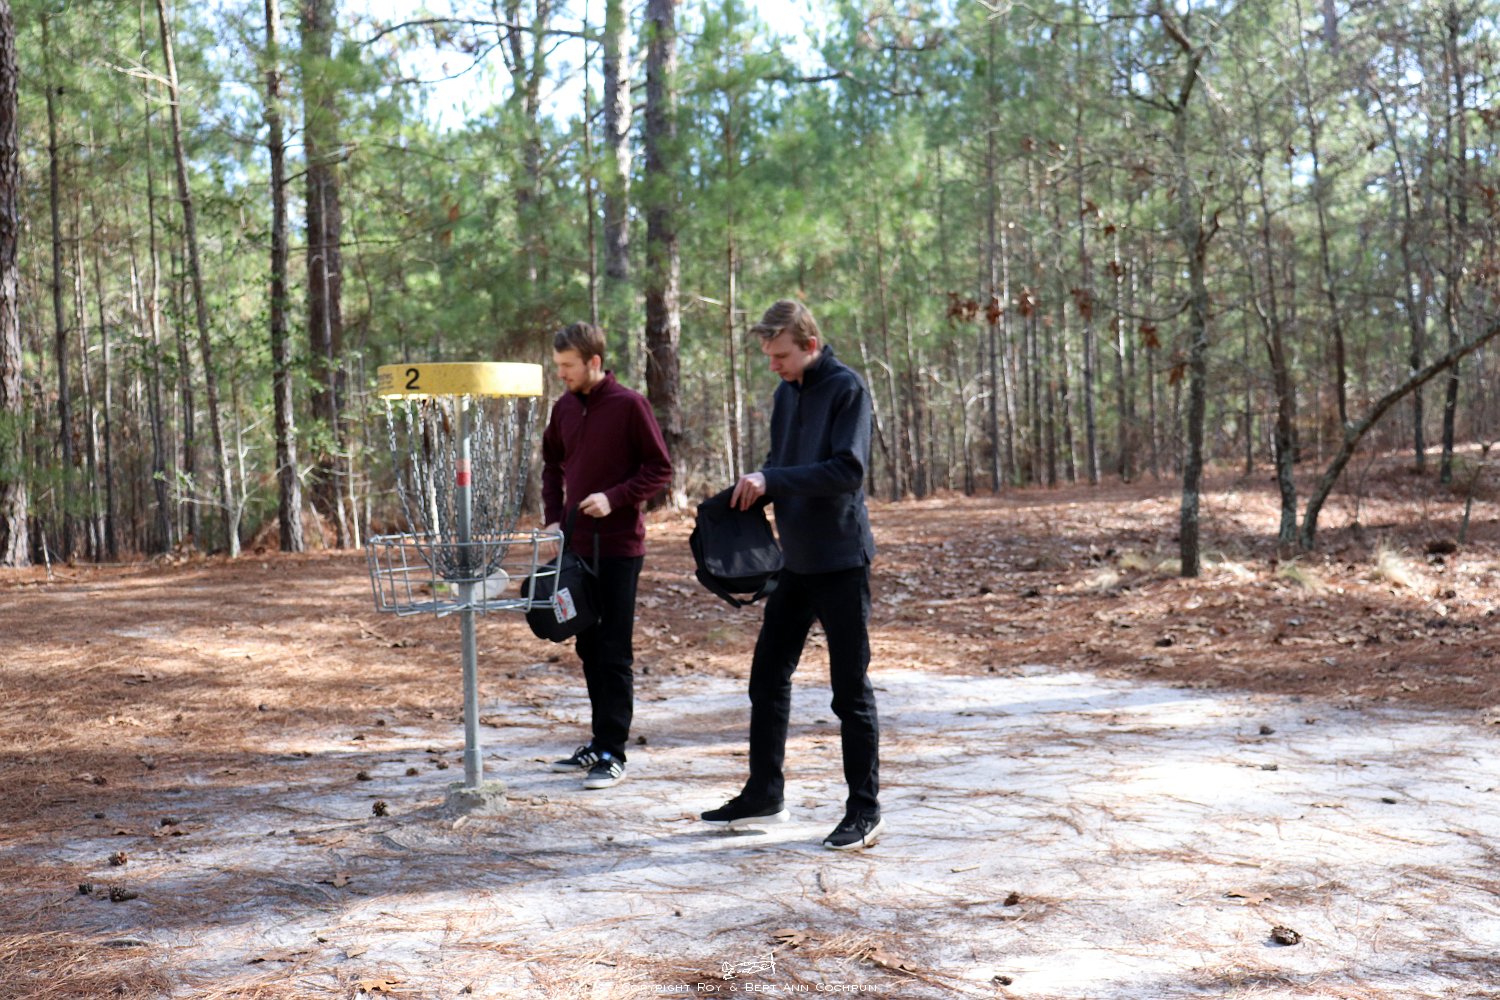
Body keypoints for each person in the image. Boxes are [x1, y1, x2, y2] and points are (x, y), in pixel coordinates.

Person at [700, 300, 882, 851]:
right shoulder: (786, 393)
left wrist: (773, 480)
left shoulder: (847, 389)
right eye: (768, 355)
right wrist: (749, 489)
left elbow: (848, 469)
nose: (773, 365)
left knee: (849, 692)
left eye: (780, 355)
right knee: (767, 678)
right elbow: (781, 462)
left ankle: (865, 810)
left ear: (809, 344)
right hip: (793, 561)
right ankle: (765, 794)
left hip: (841, 560)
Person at [541, 322, 673, 790]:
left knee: (614, 650)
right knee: (587, 646)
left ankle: (613, 752)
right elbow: (552, 464)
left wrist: (614, 498)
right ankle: (598, 743)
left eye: (568, 366)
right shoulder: (563, 408)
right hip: (575, 548)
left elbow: (659, 468)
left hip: (619, 548)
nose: (561, 374)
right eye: (558, 365)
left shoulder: (631, 405)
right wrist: (553, 518)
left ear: (594, 362)